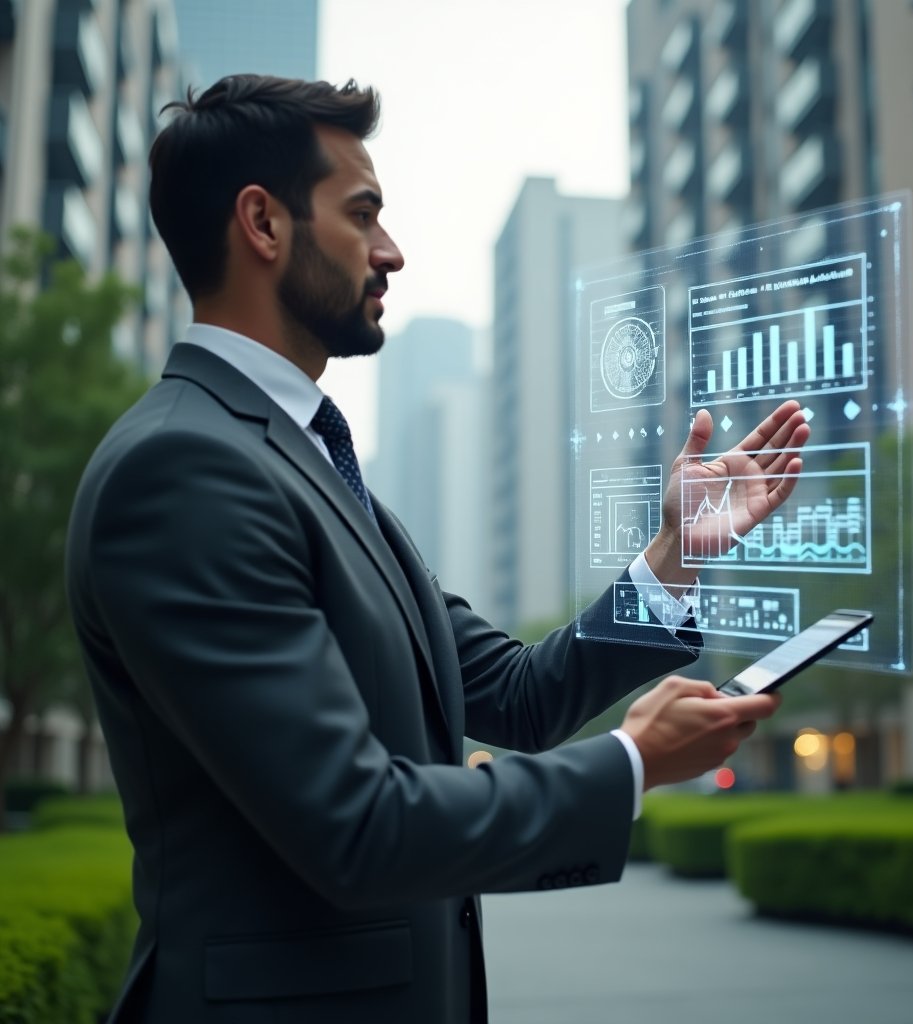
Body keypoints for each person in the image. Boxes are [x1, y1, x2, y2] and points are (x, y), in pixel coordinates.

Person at [65, 75, 810, 1023]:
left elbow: (518, 695)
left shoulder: (307, 464)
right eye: (363, 213)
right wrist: (630, 761)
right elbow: (359, 826)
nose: (392, 252)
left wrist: (676, 553)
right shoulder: (182, 471)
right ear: (263, 223)